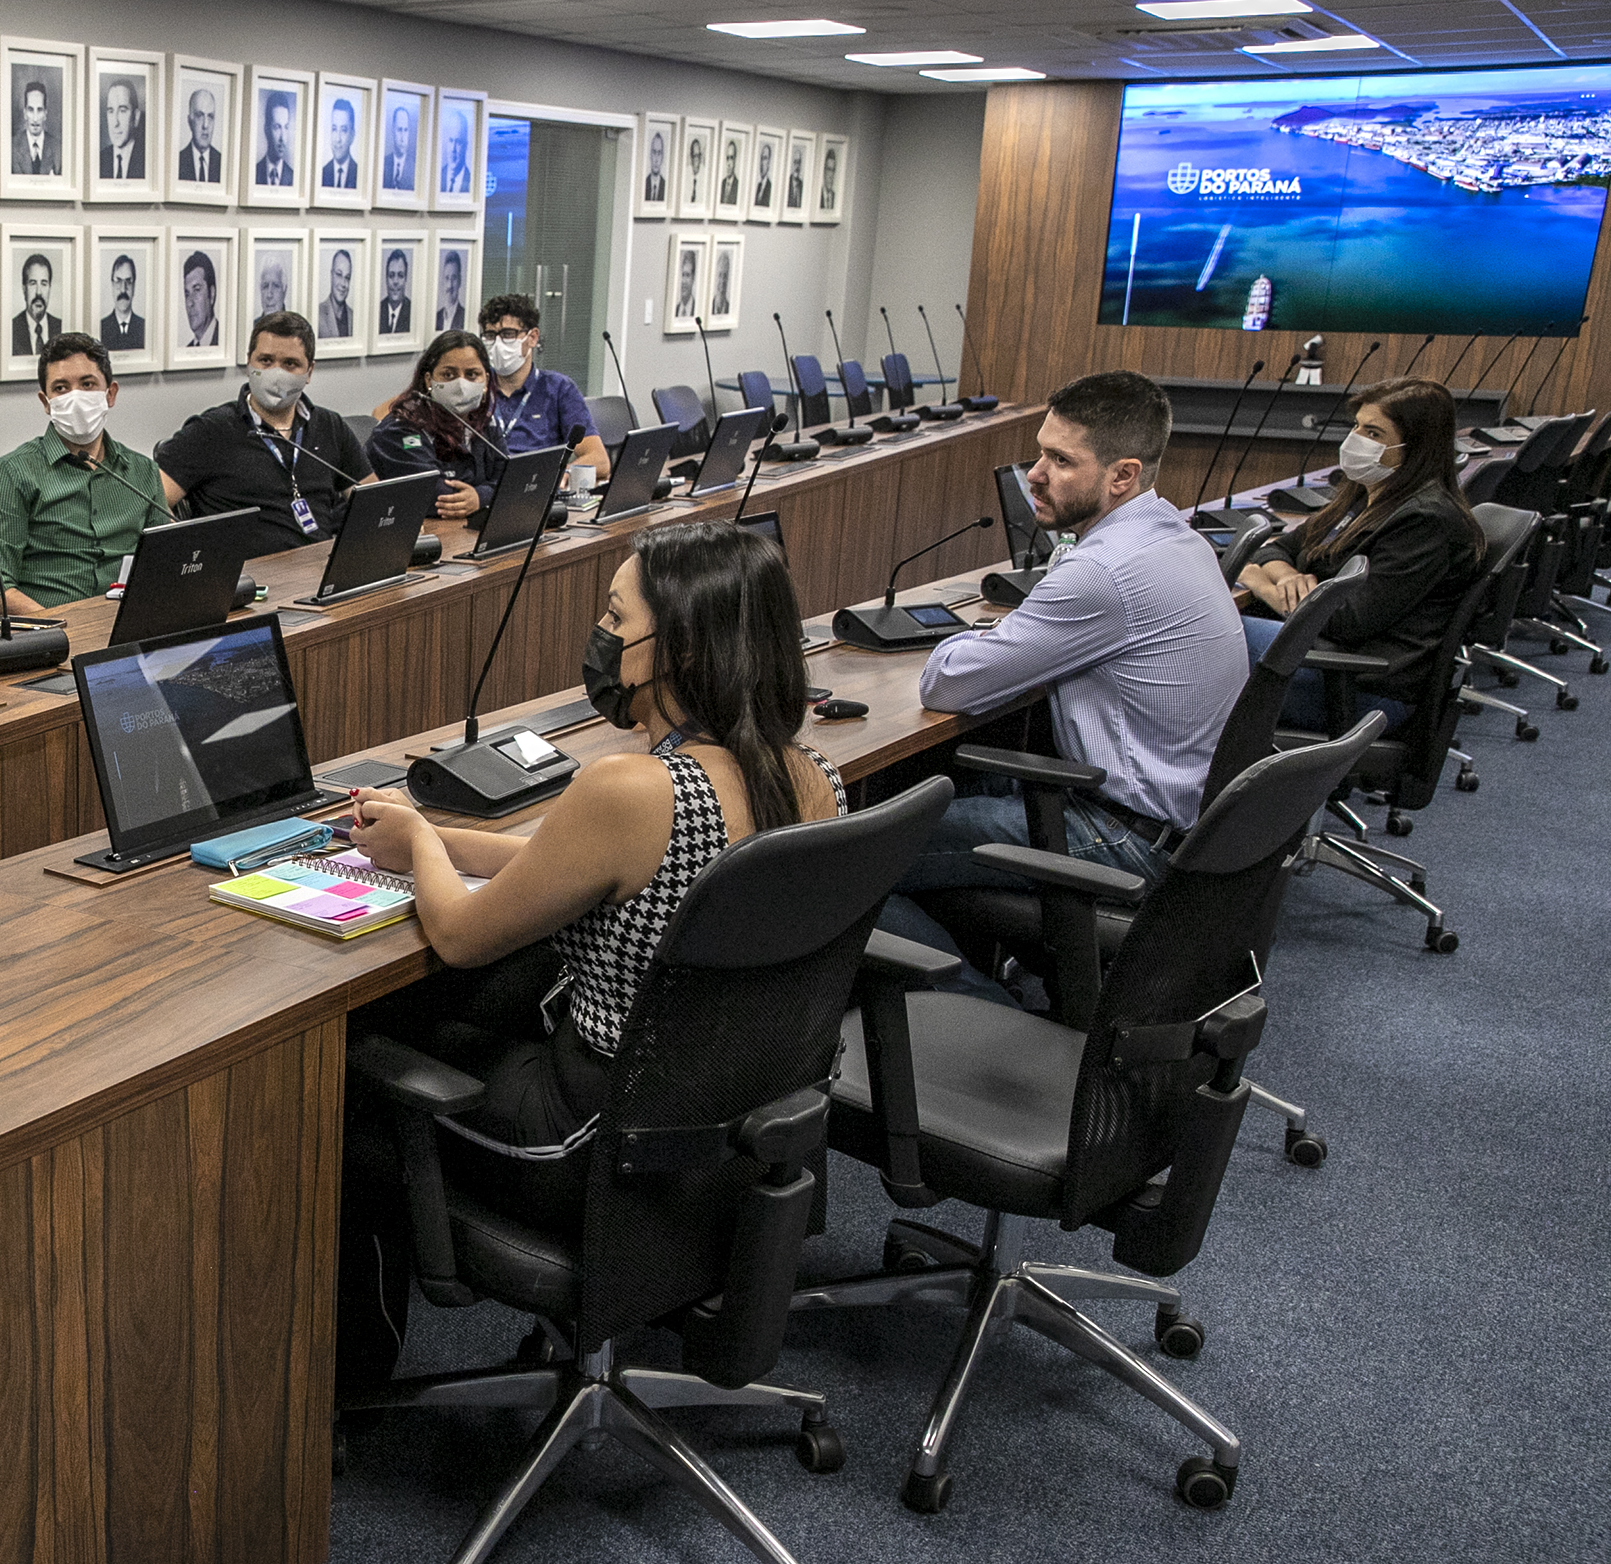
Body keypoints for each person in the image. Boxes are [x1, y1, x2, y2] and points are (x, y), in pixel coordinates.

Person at [332, 523, 842, 1382]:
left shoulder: (630, 788)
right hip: (717, 1122)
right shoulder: (806, 772)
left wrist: (419, 841)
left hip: (587, 1137)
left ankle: (349, 1389)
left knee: (349, 1090)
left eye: (615, 614)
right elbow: (568, 866)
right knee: (479, 1010)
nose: (602, 635)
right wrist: (444, 836)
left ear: (672, 645)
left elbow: (457, 936)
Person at [884, 371, 1248, 973]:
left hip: (1126, 838)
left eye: (1060, 460)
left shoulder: (1106, 572)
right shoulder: (1173, 536)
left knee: (855, 857)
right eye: (1039, 452)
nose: (1035, 474)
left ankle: (969, 1020)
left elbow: (946, 683)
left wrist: (991, 638)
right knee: (938, 789)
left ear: (1122, 475)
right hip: (1183, 829)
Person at [1233, 375, 1483, 731]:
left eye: (1374, 434)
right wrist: (1287, 576)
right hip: (1324, 658)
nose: (1356, 441)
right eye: (1357, 427)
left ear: (1416, 448)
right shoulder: (1364, 494)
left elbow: (1348, 621)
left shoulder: (1426, 521)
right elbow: (1281, 546)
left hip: (1359, 688)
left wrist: (1264, 587)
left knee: (1206, 630)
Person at [0, 333, 172, 618]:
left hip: (130, 625)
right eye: (61, 388)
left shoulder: (142, 471)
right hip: (49, 632)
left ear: (110, 394)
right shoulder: (11, 474)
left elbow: (164, 564)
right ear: (46, 402)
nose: (75, 397)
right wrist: (65, 628)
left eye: (87, 384)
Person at [156, 310, 370, 559]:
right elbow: (150, 504)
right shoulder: (211, 430)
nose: (276, 373)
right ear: (249, 363)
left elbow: (374, 501)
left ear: (309, 372)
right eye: (265, 361)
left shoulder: (329, 426)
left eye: (290, 364)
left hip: (319, 571)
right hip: (249, 581)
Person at [367, 330, 499, 523]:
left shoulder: (483, 420)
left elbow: (511, 480)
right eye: (448, 374)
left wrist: (480, 497)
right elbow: (437, 497)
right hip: (391, 534)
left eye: (472, 374)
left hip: (457, 530)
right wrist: (486, 493)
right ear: (429, 380)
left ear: (486, 380)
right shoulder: (399, 429)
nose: (461, 383)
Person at [472, 294, 610, 476]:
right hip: (486, 488)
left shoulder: (559, 388)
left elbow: (599, 460)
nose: (498, 344)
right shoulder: (474, 389)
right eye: (490, 335)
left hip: (536, 484)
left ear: (532, 337)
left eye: (507, 334)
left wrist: (565, 474)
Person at [11, 252, 61, 357]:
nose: (39, 292)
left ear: (49, 288)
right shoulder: (11, 330)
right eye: (33, 283)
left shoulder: (61, 328)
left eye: (44, 284)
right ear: (24, 289)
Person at [99, 77, 145, 182]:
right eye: (110, 111)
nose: (115, 123)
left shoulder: (147, 160)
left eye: (122, 111)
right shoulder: (100, 160)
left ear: (136, 117)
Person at [98, 254, 147, 351]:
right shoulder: (101, 328)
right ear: (112, 285)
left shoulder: (144, 328)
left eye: (128, 281)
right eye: (118, 281)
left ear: (134, 286)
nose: (123, 289)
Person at [12, 78, 60, 176]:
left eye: (39, 110)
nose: (35, 118)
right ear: (25, 113)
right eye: (30, 110)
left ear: (45, 114)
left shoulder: (58, 148)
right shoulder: (12, 147)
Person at [179, 86, 222, 184]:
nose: (205, 125)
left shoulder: (223, 163)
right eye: (200, 116)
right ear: (190, 121)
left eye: (210, 117)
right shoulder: (178, 162)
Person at [317, 97, 362, 193]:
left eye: (343, 130)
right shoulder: (321, 174)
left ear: (352, 135)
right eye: (334, 129)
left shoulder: (360, 175)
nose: (338, 139)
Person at [253, 93, 294, 188]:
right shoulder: (253, 173)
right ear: (266, 130)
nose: (282, 138)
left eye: (286, 127)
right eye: (277, 127)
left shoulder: (294, 177)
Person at [181, 251, 220, 349]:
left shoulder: (225, 341)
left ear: (211, 294)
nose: (190, 302)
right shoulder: (186, 351)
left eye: (196, 290)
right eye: (187, 294)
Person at [315, 248, 356, 340]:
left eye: (347, 277)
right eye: (339, 274)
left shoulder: (354, 317)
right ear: (331, 275)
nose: (343, 283)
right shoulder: (317, 314)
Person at [374, 246, 414, 337]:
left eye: (400, 275)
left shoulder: (412, 312)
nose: (395, 282)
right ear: (386, 279)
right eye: (391, 275)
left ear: (406, 279)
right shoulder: (377, 310)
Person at [436, 105, 472, 197]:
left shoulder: (472, 182)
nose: (453, 149)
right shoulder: (436, 179)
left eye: (458, 142)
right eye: (451, 141)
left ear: (466, 146)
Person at [380, 103, 416, 192]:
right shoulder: (383, 164)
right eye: (399, 130)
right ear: (393, 130)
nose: (403, 138)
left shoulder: (415, 167)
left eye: (406, 130)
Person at [433, 247, 467, 332]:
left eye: (454, 278)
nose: (450, 285)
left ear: (460, 281)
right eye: (447, 278)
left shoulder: (465, 317)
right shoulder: (436, 317)